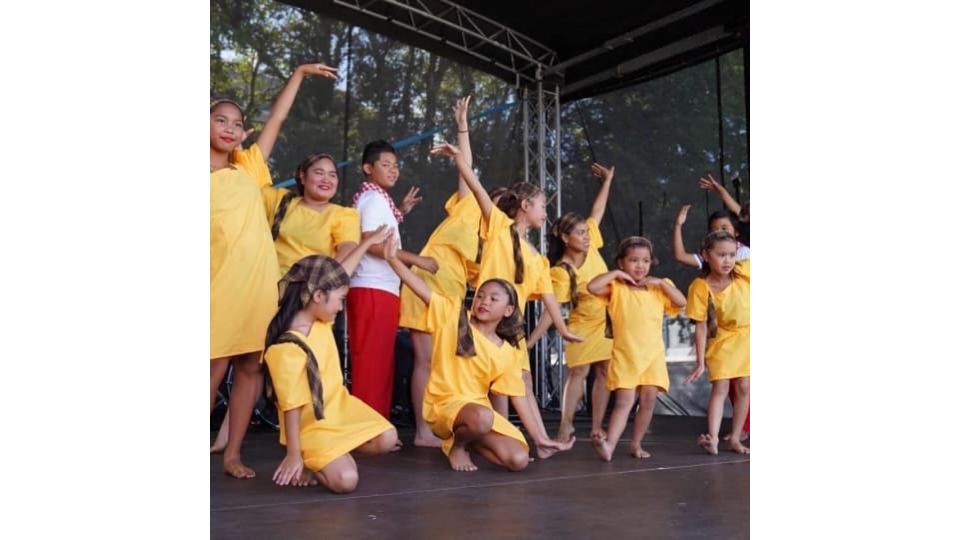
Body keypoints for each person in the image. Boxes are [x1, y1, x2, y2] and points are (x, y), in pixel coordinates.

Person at [209, 62, 338, 477]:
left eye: (237, 123)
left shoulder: (248, 166)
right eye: (220, 120)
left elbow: (277, 119)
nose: (230, 128)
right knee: (212, 368)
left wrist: (298, 75)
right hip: (217, 284)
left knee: (251, 365)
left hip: (259, 285)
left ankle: (232, 455)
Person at [429, 142, 583, 451]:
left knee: (520, 382)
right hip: (484, 321)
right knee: (499, 385)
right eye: (543, 206)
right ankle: (494, 436)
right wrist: (459, 159)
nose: (546, 213)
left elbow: (550, 298)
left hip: (511, 327)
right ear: (525, 205)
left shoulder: (537, 259)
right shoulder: (499, 228)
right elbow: (476, 188)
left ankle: (537, 441)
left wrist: (563, 329)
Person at [385, 236, 573, 471]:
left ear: (508, 310)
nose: (484, 302)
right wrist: (392, 259)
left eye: (494, 299)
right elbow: (422, 289)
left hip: (477, 413)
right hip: (444, 405)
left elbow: (518, 397)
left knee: (518, 460)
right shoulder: (454, 315)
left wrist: (540, 438)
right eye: (481, 295)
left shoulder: (507, 351)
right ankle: (458, 446)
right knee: (483, 417)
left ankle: (471, 438)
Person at [264, 225, 399, 493]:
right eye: (340, 300)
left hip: (339, 410)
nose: (341, 306)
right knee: (346, 481)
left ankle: (330, 455)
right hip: (311, 427)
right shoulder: (287, 346)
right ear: (318, 296)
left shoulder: (321, 320)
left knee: (388, 438)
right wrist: (293, 455)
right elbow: (291, 407)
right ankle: (314, 458)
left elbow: (339, 276)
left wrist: (367, 243)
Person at [398, 97, 480, 447]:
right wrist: (463, 126)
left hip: (452, 297)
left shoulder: (496, 233)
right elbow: (466, 168)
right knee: (426, 360)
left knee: (447, 363)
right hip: (425, 287)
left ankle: (442, 421)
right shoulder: (467, 211)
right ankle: (422, 431)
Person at [526, 163, 615, 444]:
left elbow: (597, 212)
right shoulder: (561, 271)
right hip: (582, 325)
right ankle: (565, 426)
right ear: (565, 238)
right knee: (578, 371)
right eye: (580, 233)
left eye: (587, 232)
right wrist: (531, 341)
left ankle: (597, 427)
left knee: (605, 371)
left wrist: (607, 182)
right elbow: (550, 311)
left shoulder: (592, 245)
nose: (587, 236)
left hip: (608, 322)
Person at [348, 139, 437, 418]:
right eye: (385, 165)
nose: (393, 170)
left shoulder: (377, 199)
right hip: (372, 287)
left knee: (379, 361)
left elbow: (379, 233)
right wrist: (417, 260)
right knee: (372, 361)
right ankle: (368, 429)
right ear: (368, 168)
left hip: (379, 288)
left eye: (396, 165)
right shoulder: (373, 199)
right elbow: (370, 243)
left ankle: (376, 426)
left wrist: (401, 210)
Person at [587, 237, 686, 460]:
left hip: (653, 357)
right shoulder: (616, 287)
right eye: (633, 260)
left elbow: (681, 302)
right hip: (627, 355)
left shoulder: (659, 287)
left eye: (645, 261)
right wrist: (616, 274)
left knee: (648, 401)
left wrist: (662, 284)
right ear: (621, 263)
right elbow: (592, 287)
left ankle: (636, 444)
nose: (640, 265)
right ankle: (609, 445)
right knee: (624, 402)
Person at [683, 231, 750, 455]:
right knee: (721, 385)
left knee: (744, 386)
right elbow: (701, 326)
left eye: (732, 255)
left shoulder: (744, 272)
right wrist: (700, 362)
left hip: (747, 337)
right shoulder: (700, 286)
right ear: (706, 255)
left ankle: (736, 438)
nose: (727, 260)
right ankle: (713, 438)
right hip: (721, 339)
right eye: (721, 255)